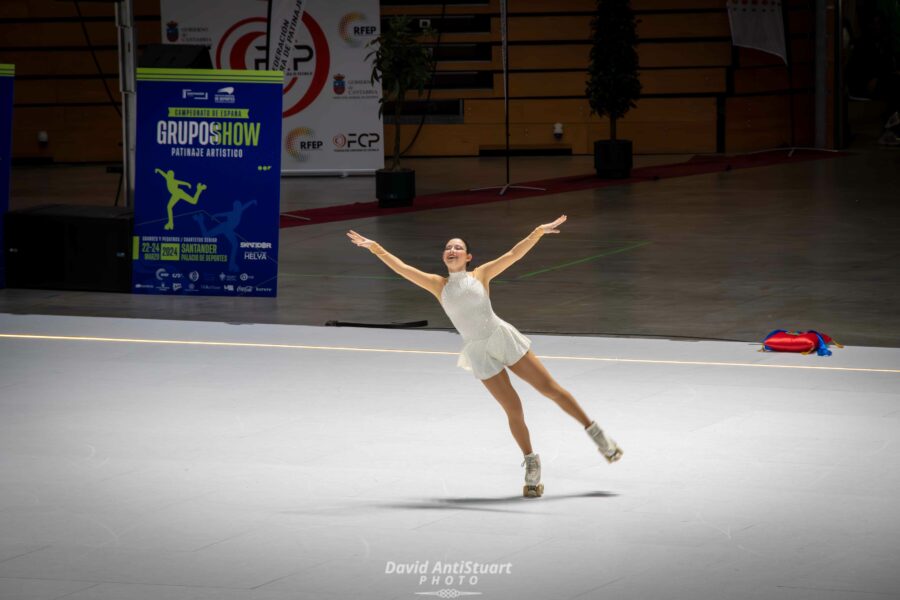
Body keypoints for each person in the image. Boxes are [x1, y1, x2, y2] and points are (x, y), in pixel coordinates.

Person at [346, 215, 622, 498]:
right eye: (447, 247)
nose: (451, 250)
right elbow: (402, 268)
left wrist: (537, 232)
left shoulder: (481, 275)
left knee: (550, 389)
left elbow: (514, 255)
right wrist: (375, 247)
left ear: (468, 257)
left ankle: (597, 433)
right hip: (479, 351)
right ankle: (531, 463)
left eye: (457, 248)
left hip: (501, 338)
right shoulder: (437, 285)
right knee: (513, 409)